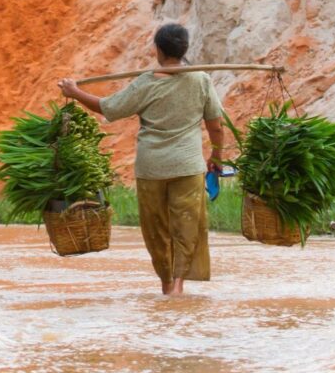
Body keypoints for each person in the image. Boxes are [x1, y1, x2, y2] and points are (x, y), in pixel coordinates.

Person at [58, 23, 229, 296]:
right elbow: (216, 126)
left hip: (152, 168)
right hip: (187, 166)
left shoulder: (146, 82)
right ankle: (178, 286)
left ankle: (165, 284)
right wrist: (217, 156)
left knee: (156, 228)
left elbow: (108, 108)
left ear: (158, 50)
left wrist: (74, 92)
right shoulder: (201, 80)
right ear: (184, 49)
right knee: (187, 224)